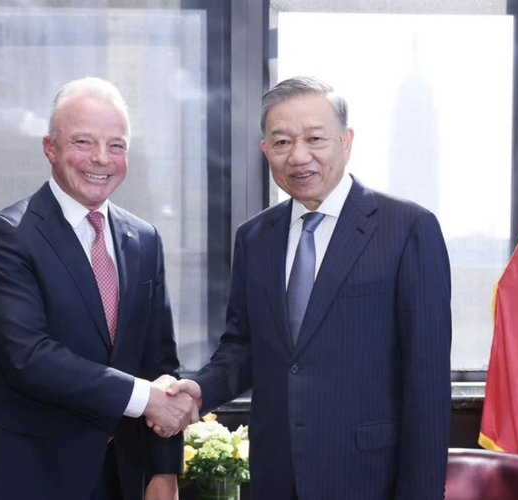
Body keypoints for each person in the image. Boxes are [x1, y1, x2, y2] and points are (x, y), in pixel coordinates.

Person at [161, 76, 452, 499]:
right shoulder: (255, 237)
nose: (299, 156)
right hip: (276, 475)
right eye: (281, 143)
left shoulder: (407, 229)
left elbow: (427, 383)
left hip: (369, 478)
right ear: (266, 151)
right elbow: (242, 346)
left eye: (315, 138)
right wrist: (200, 390)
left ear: (346, 140)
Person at [0, 77, 198, 500]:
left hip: (125, 476)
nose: (101, 158)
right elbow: (29, 358)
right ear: (50, 148)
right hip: (33, 476)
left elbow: (160, 360)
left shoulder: (144, 239)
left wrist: (165, 471)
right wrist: (143, 397)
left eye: (117, 145)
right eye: (83, 141)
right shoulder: (5, 236)